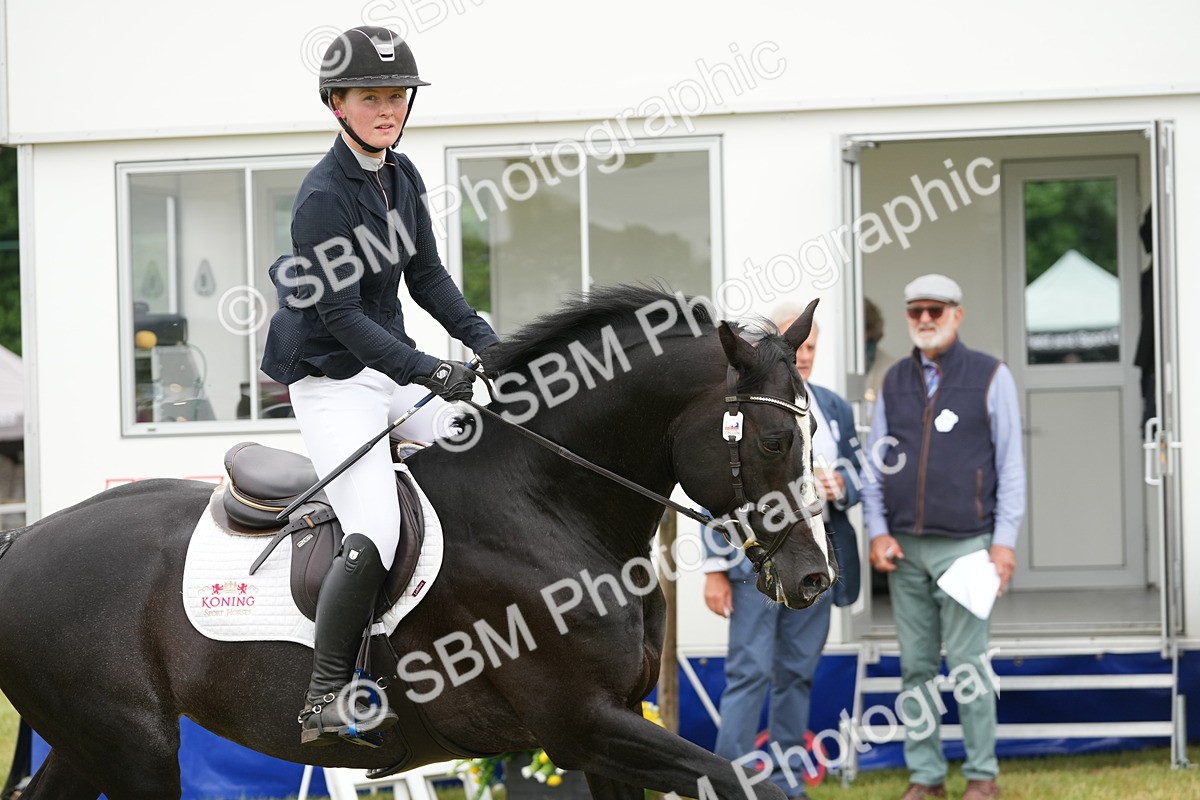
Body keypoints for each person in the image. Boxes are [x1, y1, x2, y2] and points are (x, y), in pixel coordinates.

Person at [260, 25, 501, 746]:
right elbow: (338, 316)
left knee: (477, 444)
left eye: (396, 97)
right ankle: (324, 698)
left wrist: (488, 342)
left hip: (387, 364)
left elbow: (426, 277)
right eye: (371, 97)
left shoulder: (401, 177)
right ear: (337, 103)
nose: (387, 108)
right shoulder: (322, 199)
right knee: (375, 524)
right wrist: (430, 370)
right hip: (333, 379)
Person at [860, 274, 1024, 800]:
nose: (924, 319)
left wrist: (1004, 543)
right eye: (915, 311)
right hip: (904, 549)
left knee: (971, 665)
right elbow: (873, 464)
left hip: (967, 546)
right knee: (916, 669)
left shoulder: (991, 376)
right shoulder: (891, 382)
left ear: (957, 313)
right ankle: (925, 778)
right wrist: (878, 530)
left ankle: (982, 775)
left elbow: (1011, 468)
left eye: (935, 309)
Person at [702, 308, 863, 800]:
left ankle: (789, 783)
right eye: (799, 349)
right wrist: (713, 567)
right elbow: (722, 484)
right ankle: (732, 783)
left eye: (812, 348)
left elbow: (861, 476)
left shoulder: (833, 407)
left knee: (797, 673)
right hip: (758, 560)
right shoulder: (743, 404)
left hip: (813, 561)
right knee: (749, 671)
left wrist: (841, 485)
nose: (806, 357)